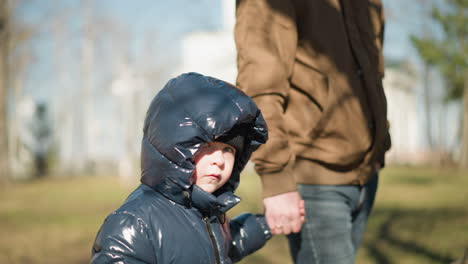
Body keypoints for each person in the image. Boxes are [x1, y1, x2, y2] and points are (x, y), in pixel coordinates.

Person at [234, 0, 392, 263]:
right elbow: (260, 89)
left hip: (367, 172)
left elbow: (372, 72)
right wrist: (276, 177)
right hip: (312, 179)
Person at [91, 72, 273, 264]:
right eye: (207, 146)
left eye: (228, 149)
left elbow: (220, 248)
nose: (219, 160)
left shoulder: (208, 211)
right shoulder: (134, 223)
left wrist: (265, 224)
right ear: (174, 148)